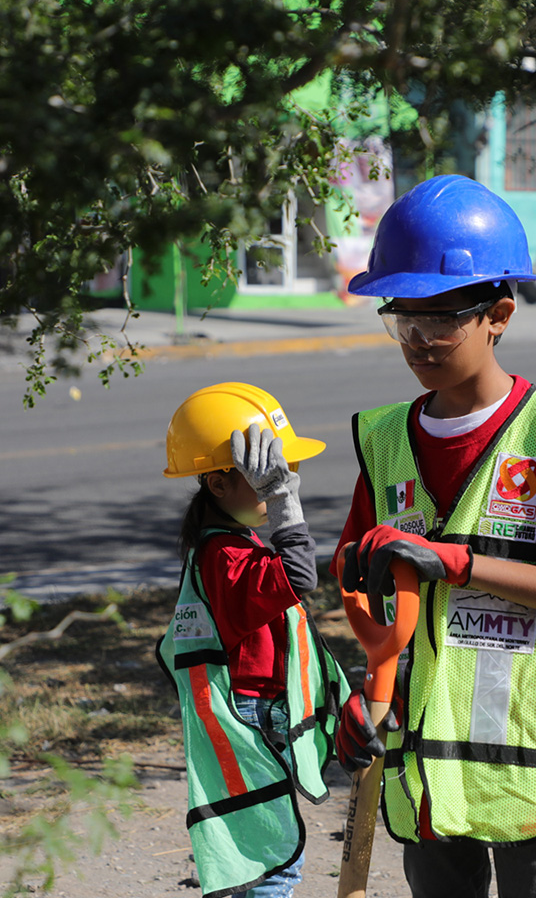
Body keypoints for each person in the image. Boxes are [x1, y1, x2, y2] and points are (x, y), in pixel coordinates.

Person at [333, 175, 536, 898]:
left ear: (499, 315)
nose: (418, 340)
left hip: (532, 756)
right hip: (422, 757)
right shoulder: (384, 438)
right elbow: (364, 587)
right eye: (402, 317)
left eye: (443, 319)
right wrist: (365, 699)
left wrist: (456, 563)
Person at [157, 382, 349, 898]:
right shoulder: (223, 555)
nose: (279, 483)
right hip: (255, 714)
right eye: (264, 478)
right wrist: (284, 502)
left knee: (266, 851)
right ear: (219, 486)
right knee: (273, 858)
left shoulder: (230, 542)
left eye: (282, 474)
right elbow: (301, 574)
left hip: (260, 707)